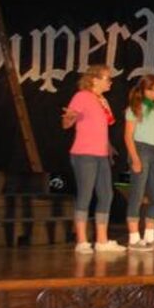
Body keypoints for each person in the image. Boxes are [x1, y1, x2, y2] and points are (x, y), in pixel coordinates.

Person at [61, 64, 126, 254]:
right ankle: (81, 241)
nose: (110, 82)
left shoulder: (102, 100)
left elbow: (99, 126)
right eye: (107, 78)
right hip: (84, 154)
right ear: (95, 79)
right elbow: (66, 123)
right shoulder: (82, 96)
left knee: (106, 194)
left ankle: (102, 240)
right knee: (86, 194)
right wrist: (69, 118)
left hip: (101, 155)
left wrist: (108, 146)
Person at [124, 74, 154, 251]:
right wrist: (135, 158)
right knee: (137, 194)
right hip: (140, 150)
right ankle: (134, 239)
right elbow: (128, 136)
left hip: (153, 152)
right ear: (147, 90)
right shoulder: (134, 108)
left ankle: (149, 237)